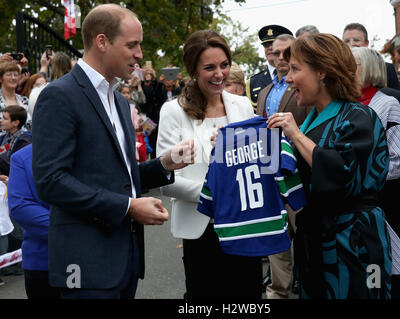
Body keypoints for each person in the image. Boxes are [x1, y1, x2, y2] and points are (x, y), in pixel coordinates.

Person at [32, 4, 194, 299]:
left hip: (125, 260)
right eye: (132, 45)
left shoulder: (118, 101)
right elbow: (51, 181)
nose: (140, 54)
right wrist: (128, 207)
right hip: (84, 263)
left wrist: (165, 163)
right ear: (102, 42)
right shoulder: (59, 96)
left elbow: (119, 177)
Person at [267, 33, 392, 299]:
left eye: (295, 69)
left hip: (356, 242)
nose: (288, 79)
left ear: (322, 72)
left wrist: (297, 136)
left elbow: (343, 175)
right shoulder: (311, 118)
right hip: (317, 241)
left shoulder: (359, 116)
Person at [156, 30, 257, 299]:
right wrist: (214, 193)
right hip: (200, 228)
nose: (219, 74)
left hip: (244, 225)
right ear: (193, 69)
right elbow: (166, 180)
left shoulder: (243, 105)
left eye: (224, 65)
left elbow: (254, 162)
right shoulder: (173, 111)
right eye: (209, 67)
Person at [256, 33, 313, 298]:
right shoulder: (264, 91)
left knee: (306, 238)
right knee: (276, 240)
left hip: (300, 174)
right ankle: (277, 292)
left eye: (286, 52)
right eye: (275, 53)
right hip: (270, 176)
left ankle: (308, 285)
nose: (280, 58)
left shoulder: (303, 85)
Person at [352, 47, 400, 299]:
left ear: (367, 69)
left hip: (384, 202)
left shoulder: (389, 104)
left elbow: (399, 161)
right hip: (353, 207)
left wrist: (354, 178)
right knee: (362, 272)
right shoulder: (341, 105)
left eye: (351, 64)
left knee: (390, 270)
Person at [8, 144, 60, 299]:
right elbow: (21, 207)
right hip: (43, 260)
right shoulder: (22, 157)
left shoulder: (92, 149)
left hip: (91, 260)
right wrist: (73, 231)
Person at [342, 22, 400, 90]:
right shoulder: (337, 69)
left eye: (356, 40)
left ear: (366, 43)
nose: (351, 44)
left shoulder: (385, 68)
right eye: (346, 41)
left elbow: (396, 96)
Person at [246, 25, 293, 110]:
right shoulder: (252, 82)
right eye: (266, 45)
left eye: (273, 44)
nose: (270, 48)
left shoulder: (301, 79)